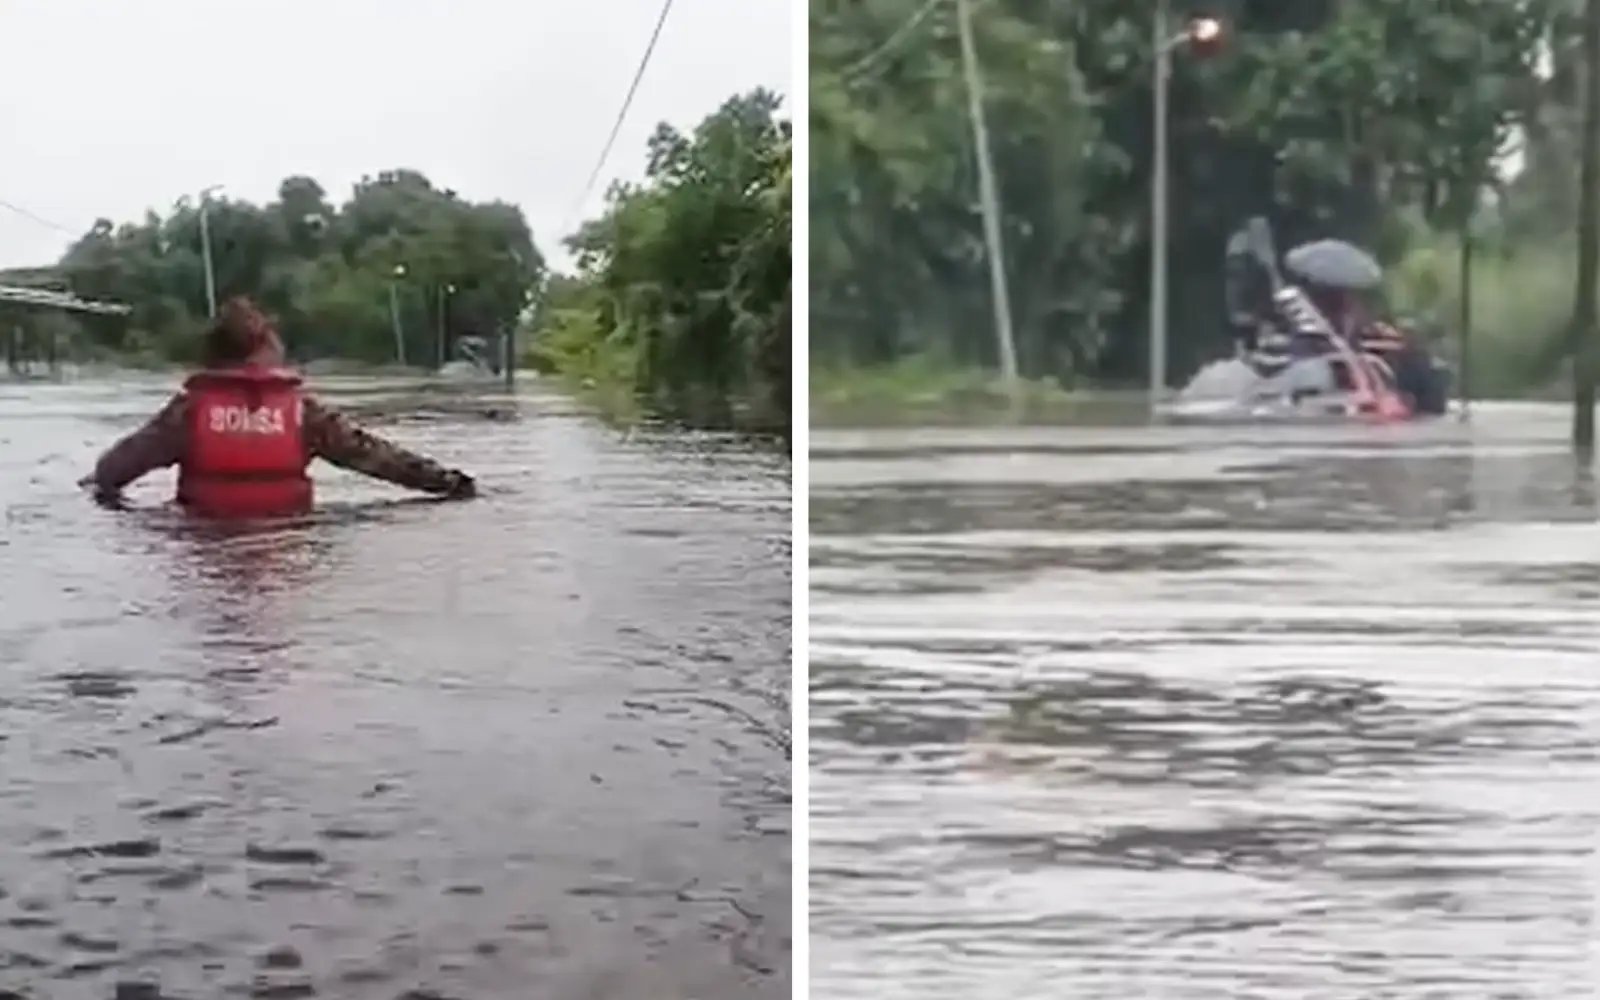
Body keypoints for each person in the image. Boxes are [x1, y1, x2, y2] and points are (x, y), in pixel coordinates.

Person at [81, 296, 477, 516]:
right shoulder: (303, 414)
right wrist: (449, 482)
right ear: (265, 347)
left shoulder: (188, 413)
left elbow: (113, 471)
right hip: (285, 548)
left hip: (202, 548)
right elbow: (379, 458)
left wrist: (96, 482)